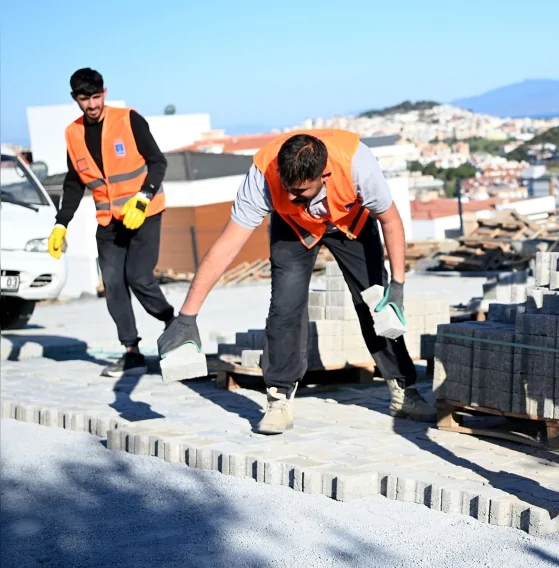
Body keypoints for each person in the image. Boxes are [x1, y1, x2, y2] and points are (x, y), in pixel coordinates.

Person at [157, 129, 437, 434]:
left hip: (350, 223)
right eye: (287, 188)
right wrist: (187, 316)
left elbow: (391, 221)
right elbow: (227, 245)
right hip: (293, 228)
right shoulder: (262, 175)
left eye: (300, 191)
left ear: (325, 175)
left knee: (376, 303)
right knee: (285, 307)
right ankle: (278, 398)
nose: (290, 196)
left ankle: (404, 391)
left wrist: (396, 288)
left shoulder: (358, 164)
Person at [48, 68, 175, 378]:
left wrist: (143, 198)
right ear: (74, 99)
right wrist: (61, 222)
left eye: (95, 97)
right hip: (108, 220)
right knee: (113, 282)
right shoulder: (72, 133)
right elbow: (75, 182)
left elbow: (158, 162)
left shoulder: (129, 119)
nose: (91, 105)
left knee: (138, 276)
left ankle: (175, 324)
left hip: (143, 212)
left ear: (104, 93)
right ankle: (131, 352)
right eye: (84, 99)